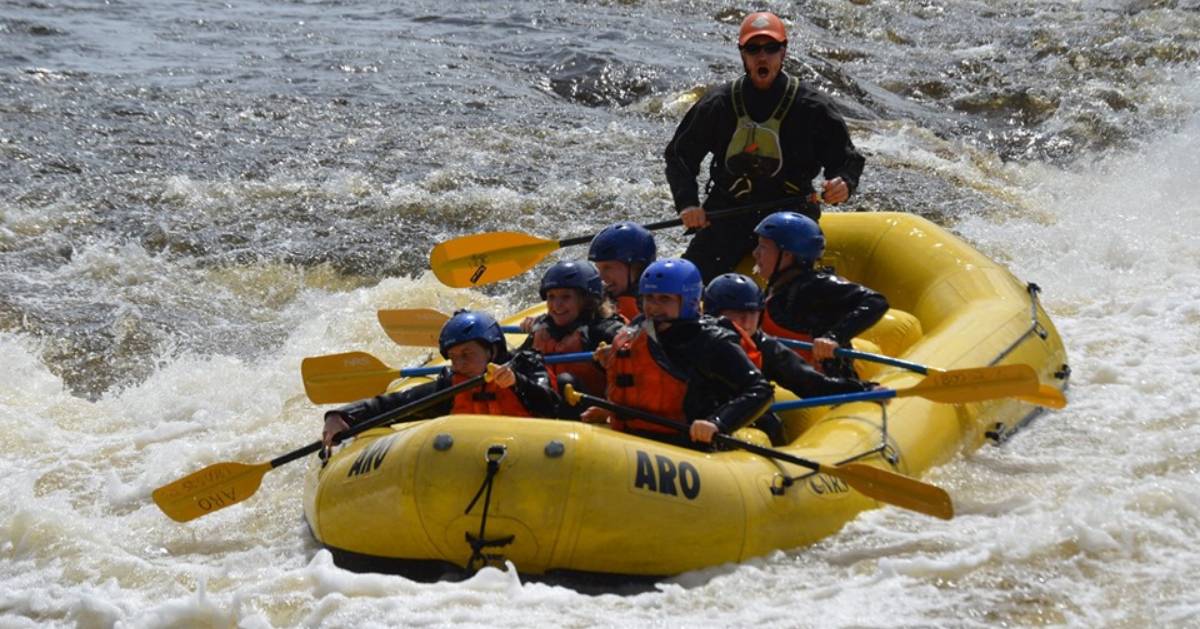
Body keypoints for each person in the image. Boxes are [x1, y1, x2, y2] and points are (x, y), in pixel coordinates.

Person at [663, 11, 866, 283]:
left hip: (790, 216)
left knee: (798, 287)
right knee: (688, 281)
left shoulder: (812, 107)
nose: (762, 56)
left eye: (771, 48)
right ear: (742, 54)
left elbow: (846, 159)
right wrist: (688, 203)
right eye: (753, 48)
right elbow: (679, 156)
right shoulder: (718, 105)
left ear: (783, 53)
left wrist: (844, 183)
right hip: (730, 213)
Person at [579, 258, 774, 449]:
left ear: (689, 300)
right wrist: (611, 409)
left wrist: (717, 423)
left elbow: (760, 390)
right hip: (636, 438)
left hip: (688, 445)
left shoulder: (710, 340)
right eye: (649, 298)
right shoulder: (638, 328)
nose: (653, 307)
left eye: (664, 299)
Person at [321, 310, 559, 448]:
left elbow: (554, 406)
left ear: (493, 351)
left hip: (534, 453)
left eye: (467, 354)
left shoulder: (527, 365)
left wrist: (517, 383)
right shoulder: (453, 385)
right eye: (453, 357)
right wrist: (342, 415)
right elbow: (398, 404)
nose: (460, 364)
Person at [703, 272, 876, 445]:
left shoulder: (767, 348)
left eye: (753, 313)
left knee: (770, 424)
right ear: (714, 314)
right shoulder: (695, 338)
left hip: (741, 418)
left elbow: (812, 384)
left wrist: (863, 390)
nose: (747, 322)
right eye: (737, 313)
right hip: (698, 415)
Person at [752, 211, 888, 377]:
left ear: (787, 254)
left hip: (827, 383)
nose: (755, 253)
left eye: (763, 247)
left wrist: (834, 337)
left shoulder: (814, 286)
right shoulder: (779, 285)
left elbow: (876, 301)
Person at [517, 260, 624, 409]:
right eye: (551, 297)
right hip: (548, 409)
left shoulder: (604, 329)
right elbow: (516, 359)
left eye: (566, 297)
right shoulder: (542, 327)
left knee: (565, 381)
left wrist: (617, 351)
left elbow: (636, 349)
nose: (556, 305)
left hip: (590, 415)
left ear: (586, 300)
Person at [586, 221, 657, 322]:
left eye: (608, 267)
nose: (600, 277)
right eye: (598, 268)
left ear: (638, 268)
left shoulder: (660, 308)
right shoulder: (594, 300)